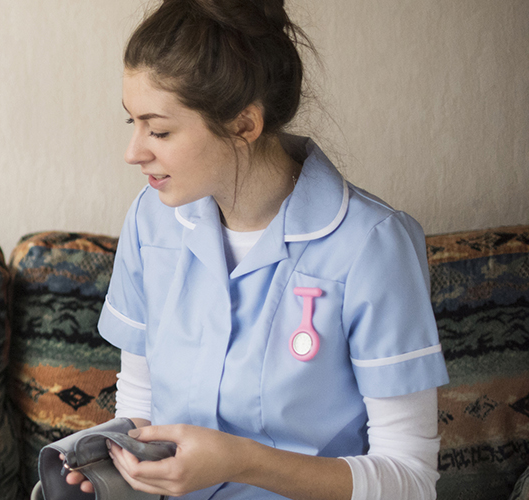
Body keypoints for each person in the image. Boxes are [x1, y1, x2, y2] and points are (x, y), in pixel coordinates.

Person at [71, 0, 450, 499]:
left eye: (159, 130)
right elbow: (141, 403)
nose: (134, 152)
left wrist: (243, 462)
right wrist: (109, 462)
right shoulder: (151, 219)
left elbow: (411, 480)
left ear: (244, 125)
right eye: (133, 124)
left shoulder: (372, 245)